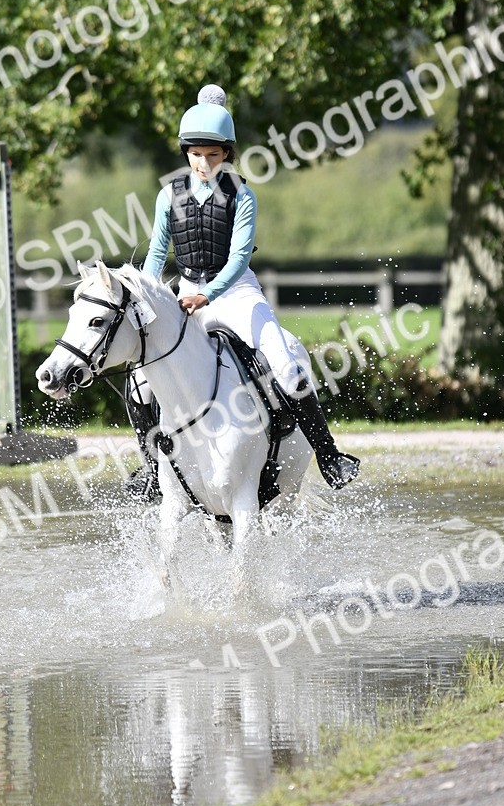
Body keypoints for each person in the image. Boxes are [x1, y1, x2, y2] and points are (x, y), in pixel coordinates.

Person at [126, 84, 360, 498]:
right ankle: (150, 469)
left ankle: (329, 456)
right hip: (185, 292)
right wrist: (149, 299)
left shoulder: (242, 196)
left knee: (286, 364)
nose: (203, 163)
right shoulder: (169, 196)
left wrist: (207, 295)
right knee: (140, 381)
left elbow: (237, 261)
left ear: (227, 154)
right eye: (195, 154)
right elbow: (157, 254)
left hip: (234, 293)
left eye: (212, 155)